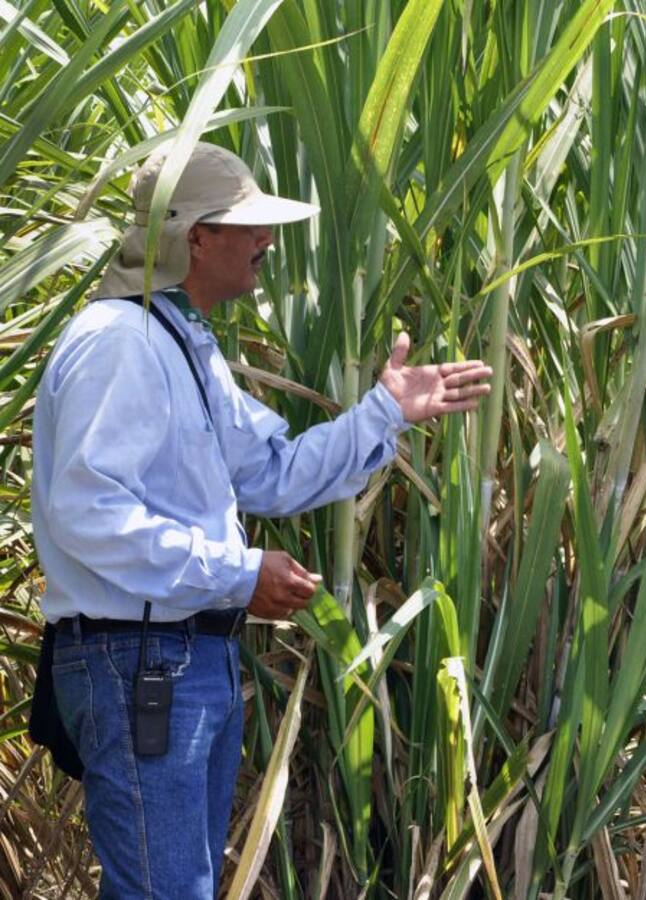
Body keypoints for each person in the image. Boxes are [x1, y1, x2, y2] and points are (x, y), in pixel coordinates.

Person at [31, 141, 492, 898]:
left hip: (176, 661)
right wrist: (238, 573)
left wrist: (386, 412)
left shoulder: (181, 344)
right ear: (195, 238)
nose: (265, 242)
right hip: (140, 661)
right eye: (246, 226)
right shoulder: (119, 343)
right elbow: (89, 513)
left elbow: (270, 472)